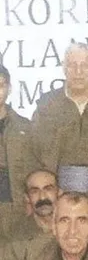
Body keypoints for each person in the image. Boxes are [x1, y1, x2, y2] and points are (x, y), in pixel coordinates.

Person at [31, 43, 88, 231]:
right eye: (72, 65)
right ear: (64, 68)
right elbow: (33, 152)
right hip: (57, 198)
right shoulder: (47, 105)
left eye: (85, 65)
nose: (78, 72)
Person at [0, 65, 38, 242]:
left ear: (9, 88)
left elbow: (33, 169)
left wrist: (30, 200)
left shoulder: (24, 127)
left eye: (1, 85)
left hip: (16, 210)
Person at [11, 169, 59, 240]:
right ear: (27, 197)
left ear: (59, 192)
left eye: (48, 189)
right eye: (34, 191)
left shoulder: (73, 226)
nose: (42, 197)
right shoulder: (16, 234)